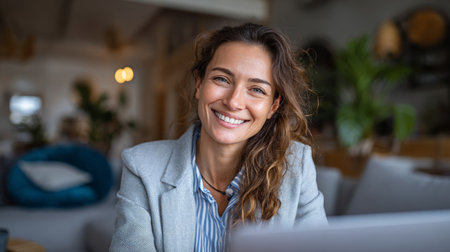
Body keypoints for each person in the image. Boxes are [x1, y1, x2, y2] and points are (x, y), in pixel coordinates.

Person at [110, 23, 327, 252]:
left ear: (273, 106)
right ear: (199, 84)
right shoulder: (142, 166)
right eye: (222, 79)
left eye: (257, 90)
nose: (233, 102)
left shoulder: (296, 165)